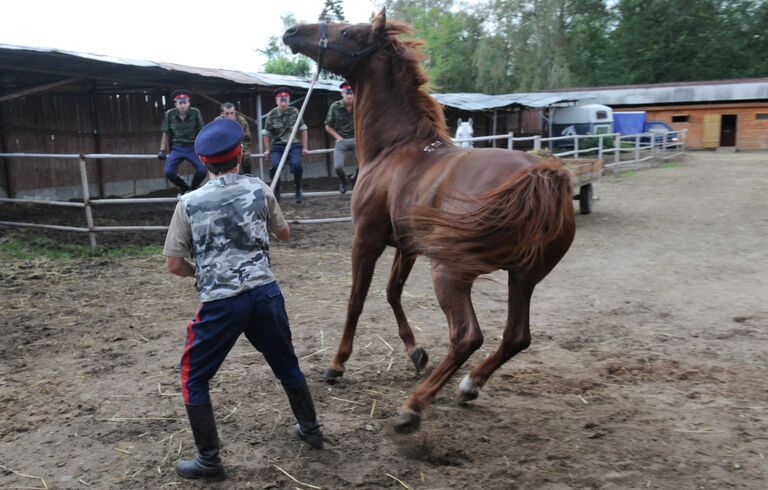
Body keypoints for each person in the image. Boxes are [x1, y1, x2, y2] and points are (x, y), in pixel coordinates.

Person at [163, 118, 324, 482]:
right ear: (239, 155)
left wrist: (200, 273)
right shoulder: (259, 190)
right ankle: (311, 429)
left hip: (221, 301)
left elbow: (174, 265)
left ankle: (209, 460)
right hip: (265, 293)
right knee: (286, 362)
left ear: (203, 162)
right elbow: (284, 234)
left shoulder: (187, 203)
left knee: (194, 377)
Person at [262, 87, 308, 203]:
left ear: (289, 100)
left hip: (293, 145)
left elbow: (303, 129)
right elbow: (266, 134)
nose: (283, 102)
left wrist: (305, 147)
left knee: (297, 166)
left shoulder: (295, 112)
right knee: (274, 167)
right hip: (277, 146)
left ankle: (298, 189)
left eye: (286, 100)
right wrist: (267, 149)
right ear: (277, 101)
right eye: (281, 100)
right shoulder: (271, 114)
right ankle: (276, 190)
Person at [158, 89, 207, 194]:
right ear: (175, 104)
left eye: (185, 102)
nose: (183, 105)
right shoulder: (169, 114)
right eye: (180, 103)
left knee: (202, 170)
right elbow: (165, 133)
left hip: (193, 147)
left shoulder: (195, 112)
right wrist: (162, 150)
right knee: (169, 172)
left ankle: (193, 188)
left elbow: (202, 131)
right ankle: (184, 187)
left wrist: (203, 147)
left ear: (188, 103)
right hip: (177, 148)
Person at [324, 81, 357, 193]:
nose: (349, 95)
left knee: (365, 163)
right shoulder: (335, 107)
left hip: (357, 139)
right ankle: (343, 181)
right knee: (337, 167)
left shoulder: (360, 105)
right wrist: (338, 138)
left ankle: (356, 178)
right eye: (347, 92)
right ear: (342, 93)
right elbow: (328, 126)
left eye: (351, 92)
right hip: (341, 140)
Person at [215, 102, 253, 175]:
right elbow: (215, 138)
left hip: (239, 145)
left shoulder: (241, 121)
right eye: (227, 113)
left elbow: (247, 139)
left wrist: (241, 150)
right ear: (222, 114)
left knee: (246, 157)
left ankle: (248, 176)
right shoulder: (217, 122)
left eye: (232, 113)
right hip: (223, 148)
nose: (230, 116)